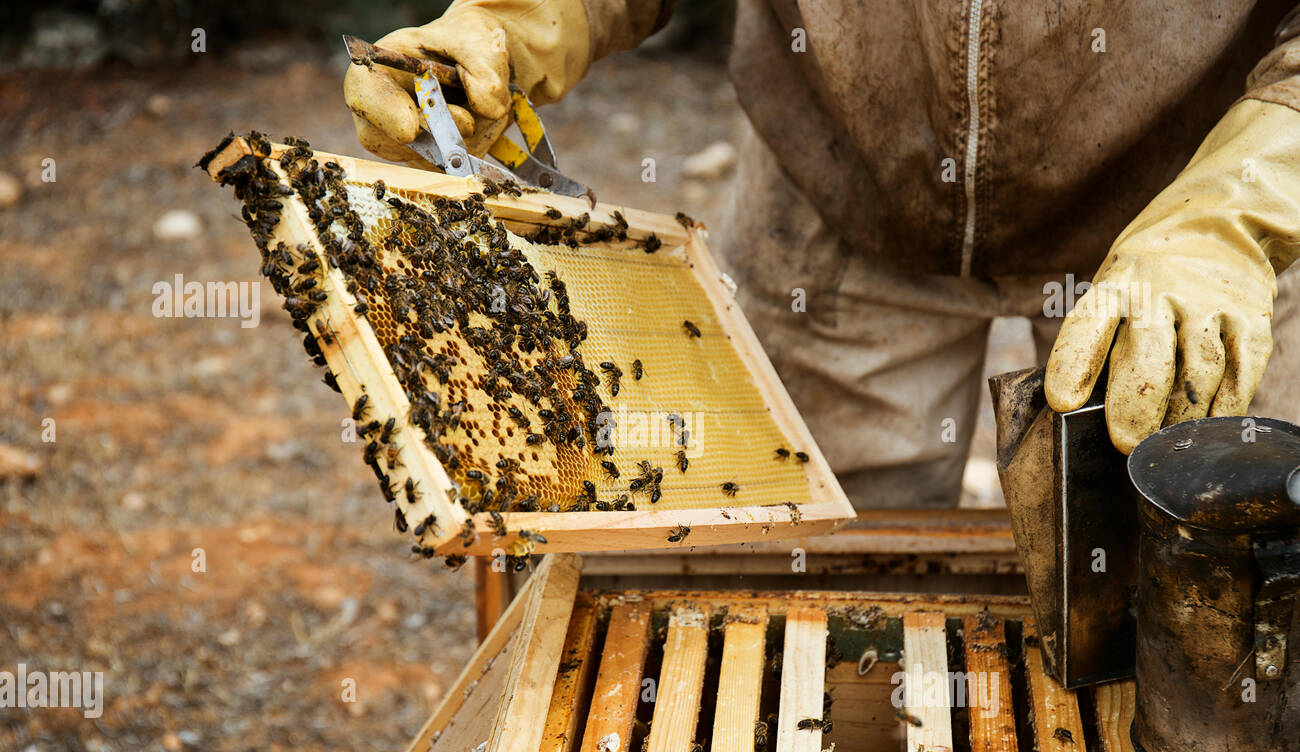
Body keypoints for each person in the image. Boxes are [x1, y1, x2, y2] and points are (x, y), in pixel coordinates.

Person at [344, 0, 1300, 508]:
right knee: (814, 576)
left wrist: (1230, 215)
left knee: (1206, 589)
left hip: (1189, 218)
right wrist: (515, 18)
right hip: (839, 193)